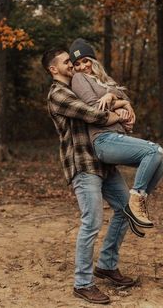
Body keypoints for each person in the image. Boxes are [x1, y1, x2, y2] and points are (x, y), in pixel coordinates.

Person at [42, 47, 137, 305]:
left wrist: (119, 99)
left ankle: (106, 265)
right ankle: (82, 283)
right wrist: (120, 111)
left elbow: (110, 92)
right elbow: (92, 113)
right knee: (92, 222)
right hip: (83, 164)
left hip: (104, 163)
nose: (72, 64)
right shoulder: (58, 94)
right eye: (65, 62)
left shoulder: (78, 85)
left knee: (127, 210)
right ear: (53, 69)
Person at [69, 38, 163, 229]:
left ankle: (138, 202)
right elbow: (93, 107)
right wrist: (120, 105)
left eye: (85, 60)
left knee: (161, 160)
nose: (82, 66)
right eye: (77, 64)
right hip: (103, 139)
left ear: (93, 60)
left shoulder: (104, 81)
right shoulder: (79, 79)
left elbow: (126, 100)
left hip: (117, 137)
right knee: (154, 151)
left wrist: (114, 98)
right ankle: (137, 198)